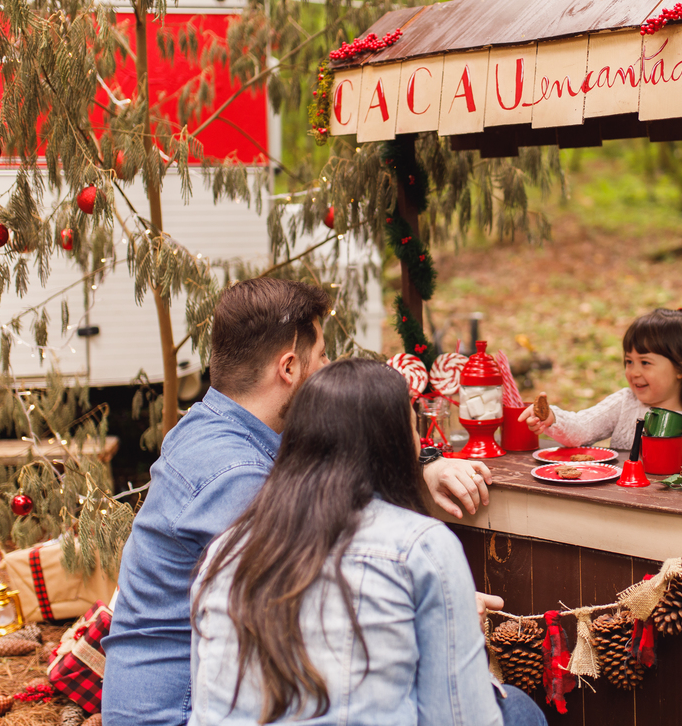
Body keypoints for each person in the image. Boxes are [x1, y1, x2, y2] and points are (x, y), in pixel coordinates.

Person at [103, 279, 497, 726]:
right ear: (288, 368)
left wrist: (421, 463)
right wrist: (446, 603)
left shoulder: (211, 424)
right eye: (323, 356)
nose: (329, 366)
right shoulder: (238, 479)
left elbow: (331, 471)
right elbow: (332, 588)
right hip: (179, 710)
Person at [189, 358, 547, 726]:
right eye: (414, 429)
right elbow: (462, 719)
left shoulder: (224, 549)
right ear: (396, 446)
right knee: (517, 709)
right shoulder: (422, 547)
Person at [519, 308, 682, 458]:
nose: (634, 372)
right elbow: (581, 428)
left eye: (645, 363)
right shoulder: (625, 403)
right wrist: (553, 417)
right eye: (629, 361)